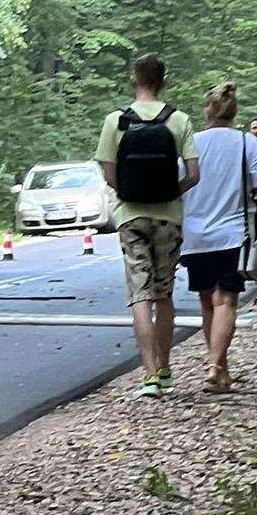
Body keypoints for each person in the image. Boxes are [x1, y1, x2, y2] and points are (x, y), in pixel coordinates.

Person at [96, 54, 201, 397]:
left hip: (131, 216)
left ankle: (149, 373)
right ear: (164, 82)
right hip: (168, 216)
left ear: (133, 80)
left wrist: (125, 192)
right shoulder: (179, 120)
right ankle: (167, 366)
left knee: (139, 294)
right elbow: (194, 174)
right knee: (164, 294)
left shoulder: (116, 121)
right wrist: (172, 191)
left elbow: (108, 173)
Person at [180, 82, 253, 392]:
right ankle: (214, 365)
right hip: (231, 233)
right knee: (226, 302)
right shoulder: (246, 142)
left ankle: (220, 371)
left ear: (206, 110)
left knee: (208, 301)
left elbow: (178, 183)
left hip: (194, 235)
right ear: (234, 113)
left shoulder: (191, 144)